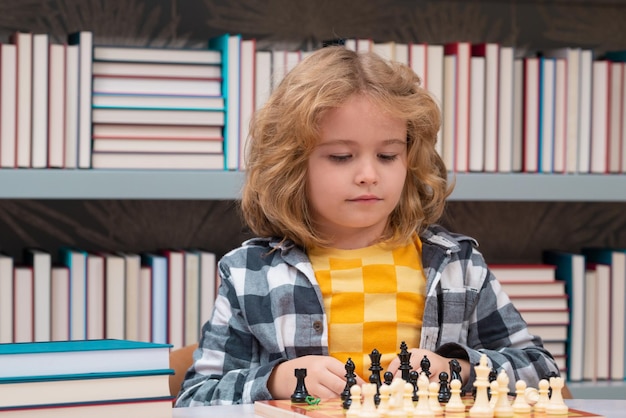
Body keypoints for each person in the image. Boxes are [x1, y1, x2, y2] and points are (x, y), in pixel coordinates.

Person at [175, 45, 559, 407]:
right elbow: (196, 397)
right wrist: (276, 380)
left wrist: (455, 369)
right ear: (291, 165)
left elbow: (539, 368)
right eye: (341, 156)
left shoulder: (458, 265)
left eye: (388, 154)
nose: (368, 175)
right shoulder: (250, 273)